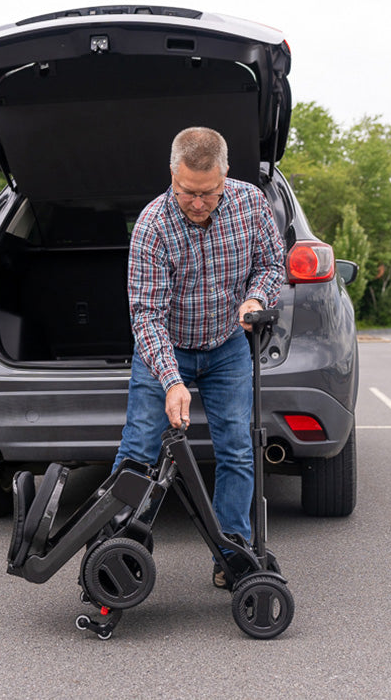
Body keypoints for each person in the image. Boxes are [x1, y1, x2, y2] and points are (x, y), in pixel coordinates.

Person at [113, 126, 285, 586]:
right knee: (139, 448)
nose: (197, 202)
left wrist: (255, 298)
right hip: (167, 345)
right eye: (187, 191)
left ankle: (232, 555)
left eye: (208, 192)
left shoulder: (251, 204)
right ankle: (118, 552)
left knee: (237, 450)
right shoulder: (152, 226)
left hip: (229, 346)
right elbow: (146, 315)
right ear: (173, 175)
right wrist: (171, 381)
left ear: (225, 175)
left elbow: (273, 264)